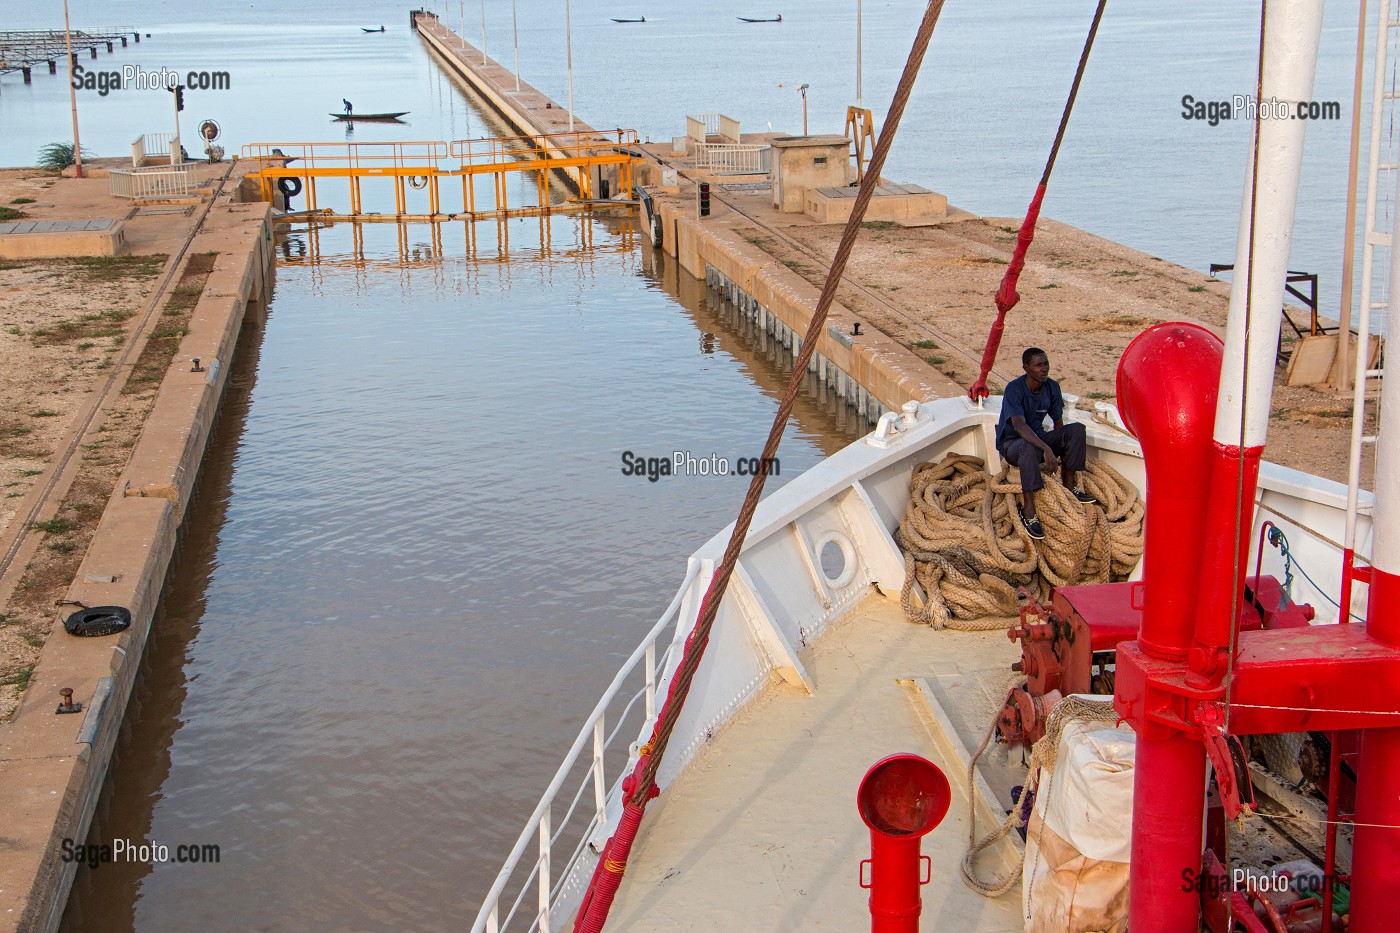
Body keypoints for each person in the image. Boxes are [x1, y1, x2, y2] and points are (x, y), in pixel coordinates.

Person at [996, 347, 1096, 540]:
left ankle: (1068, 489)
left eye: (1046, 364)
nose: (1044, 369)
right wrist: (1046, 449)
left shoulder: (1052, 387)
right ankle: (1029, 512)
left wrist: (1060, 448)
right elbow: (1018, 425)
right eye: (1038, 365)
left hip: (1038, 440)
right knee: (1027, 447)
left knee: (1076, 430)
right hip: (1012, 444)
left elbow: (1059, 425)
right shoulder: (1014, 389)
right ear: (1026, 368)